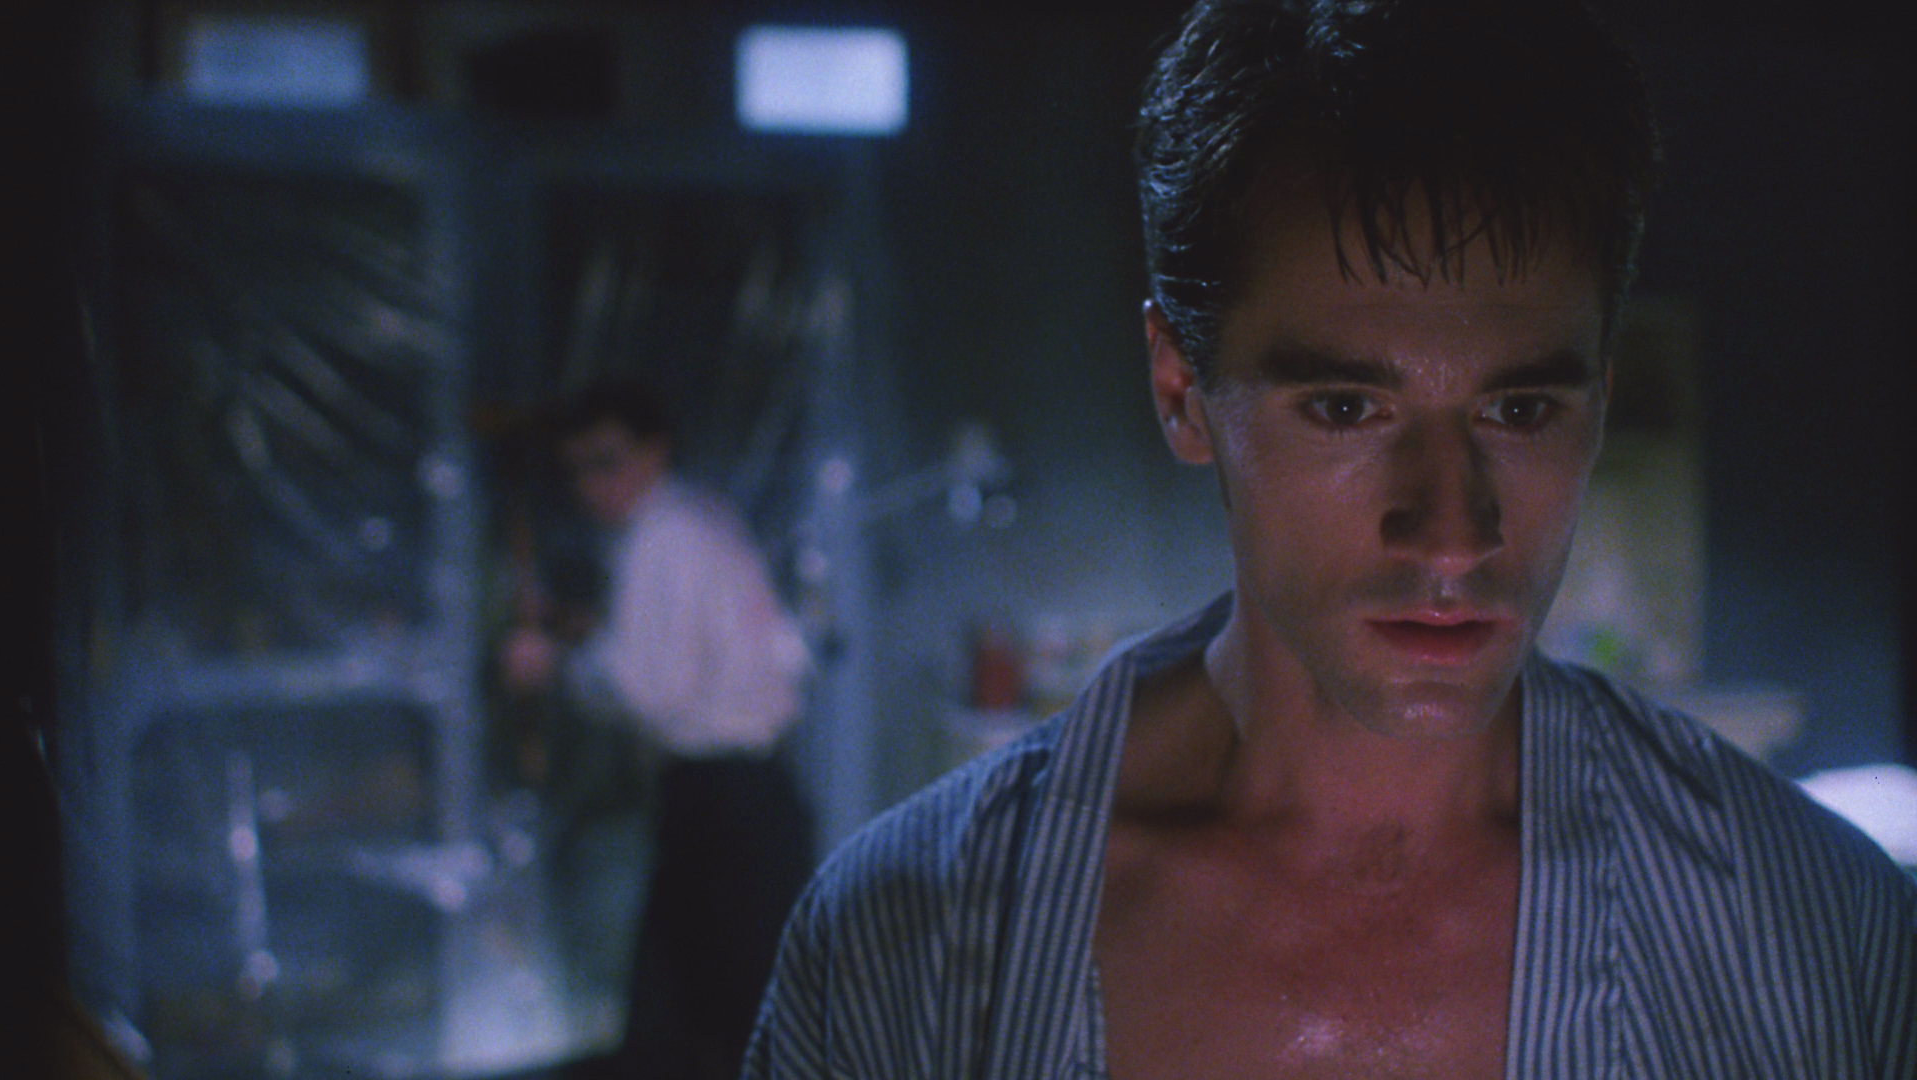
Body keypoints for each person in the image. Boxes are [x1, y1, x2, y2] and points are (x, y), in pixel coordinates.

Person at [742, 1, 1916, 1077]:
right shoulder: (905, 940)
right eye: (1348, 408)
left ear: (1598, 404)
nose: (1450, 534)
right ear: (1182, 392)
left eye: (1519, 410)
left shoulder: (1817, 931)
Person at [500, 380, 814, 1080]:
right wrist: (589, 635)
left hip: (722, 799)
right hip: (747, 794)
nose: (592, 485)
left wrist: (556, 664)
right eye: (577, 469)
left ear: (654, 452)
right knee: (697, 1013)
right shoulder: (698, 518)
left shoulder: (660, 537)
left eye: (606, 461)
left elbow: (652, 692)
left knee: (714, 1018)